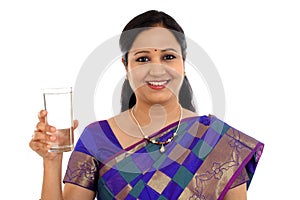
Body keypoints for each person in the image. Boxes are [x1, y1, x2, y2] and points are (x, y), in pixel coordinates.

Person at [30, 10, 264, 200]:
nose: (156, 69)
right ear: (126, 64)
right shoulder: (97, 138)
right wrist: (52, 161)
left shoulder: (217, 140)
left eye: (168, 57)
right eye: (143, 58)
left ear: (184, 61)